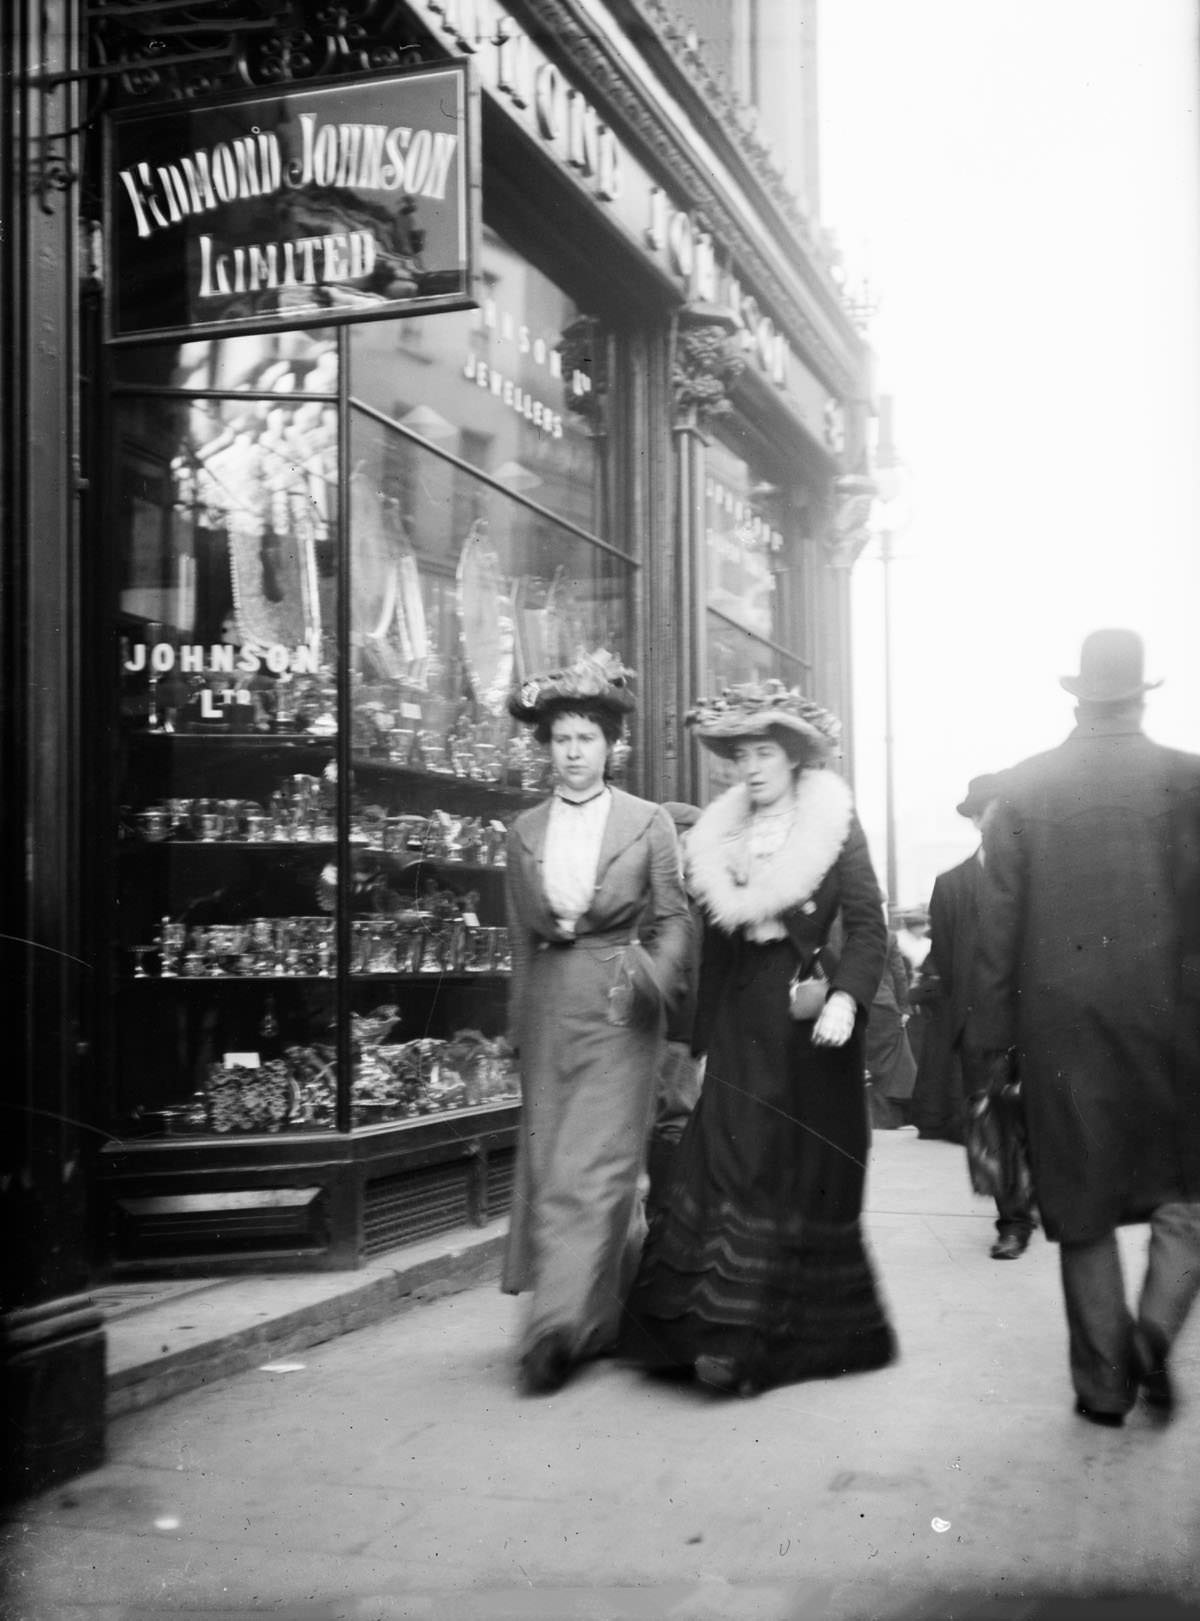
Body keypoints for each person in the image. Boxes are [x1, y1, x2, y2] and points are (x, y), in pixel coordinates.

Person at [619, 680, 895, 1396]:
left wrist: (846, 995)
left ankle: (748, 1343)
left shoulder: (833, 823)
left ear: (794, 756)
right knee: (725, 1162)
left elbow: (868, 925)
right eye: (742, 753)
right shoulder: (722, 831)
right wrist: (700, 1042)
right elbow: (715, 950)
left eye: (765, 751)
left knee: (783, 1170)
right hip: (742, 1017)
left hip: (806, 1022)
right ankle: (706, 1332)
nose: (752, 766)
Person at [974, 628, 1200, 1427]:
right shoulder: (1189, 780)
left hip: (1058, 1026)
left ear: (1078, 697)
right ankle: (1156, 1327)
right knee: (1190, 1193)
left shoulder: (1025, 790)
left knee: (1082, 1200)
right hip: (1176, 1026)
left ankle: (1106, 1384)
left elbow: (995, 928)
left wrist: (994, 1045)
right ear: (1143, 696)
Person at [501, 650, 693, 1396]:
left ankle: (554, 1330)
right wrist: (516, 1026)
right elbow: (520, 938)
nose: (573, 753)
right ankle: (602, 1309)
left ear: (612, 746)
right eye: (560, 740)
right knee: (554, 1165)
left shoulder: (649, 824)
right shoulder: (522, 830)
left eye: (586, 739)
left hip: (621, 1003)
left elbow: (675, 922)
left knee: (599, 1164)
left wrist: (655, 973)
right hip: (551, 1002)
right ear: (545, 747)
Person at [931, 773, 1037, 1260]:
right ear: (975, 820)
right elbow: (947, 961)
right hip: (981, 1026)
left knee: (1039, 1121)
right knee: (991, 1126)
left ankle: (1036, 1201)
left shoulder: (1041, 879)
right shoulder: (950, 886)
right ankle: (1012, 1222)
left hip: (1038, 1024)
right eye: (990, 813)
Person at [645, 802, 705, 1217]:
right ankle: (666, 1217)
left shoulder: (694, 893)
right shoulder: (663, 895)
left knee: (676, 1118)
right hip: (669, 1028)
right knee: (674, 1119)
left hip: (686, 1029)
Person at [864, 927, 918, 1129]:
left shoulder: (844, 933)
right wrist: (904, 1007)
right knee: (888, 1065)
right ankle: (885, 1119)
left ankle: (870, 1118)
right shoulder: (888, 936)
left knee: (864, 1061)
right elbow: (899, 974)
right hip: (884, 1006)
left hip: (856, 1004)